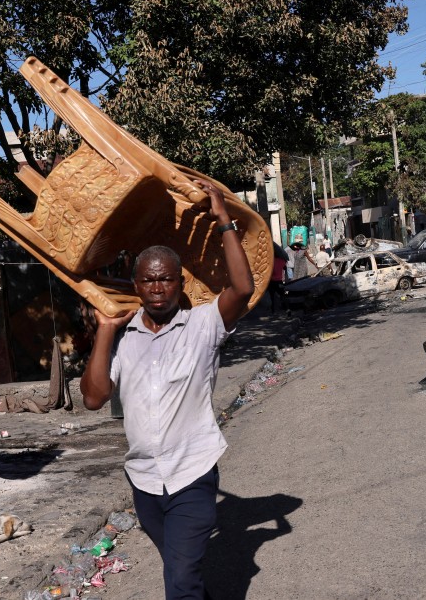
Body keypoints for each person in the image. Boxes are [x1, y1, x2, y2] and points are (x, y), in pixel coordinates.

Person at [80, 179, 255, 600]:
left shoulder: (203, 326)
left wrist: (224, 219)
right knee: (182, 573)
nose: (157, 288)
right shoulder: (123, 339)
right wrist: (105, 330)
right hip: (144, 482)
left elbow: (243, 289)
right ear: (135, 285)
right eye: (148, 281)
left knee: (179, 581)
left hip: (191, 474)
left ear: (179, 282)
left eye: (166, 280)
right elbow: (93, 398)